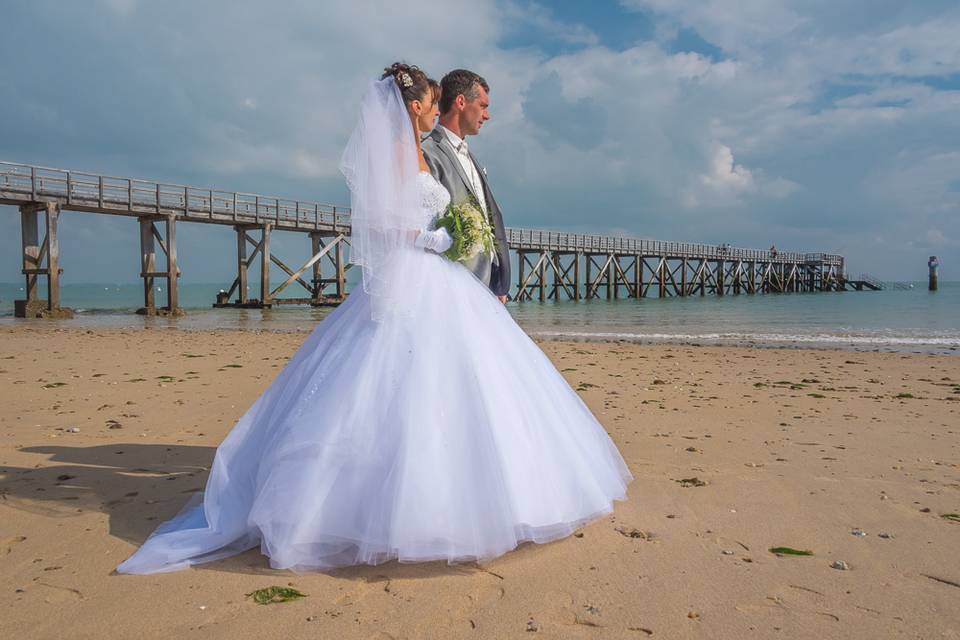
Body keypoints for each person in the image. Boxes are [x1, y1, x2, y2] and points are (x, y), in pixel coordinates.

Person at [115, 63, 632, 575]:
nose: (434, 110)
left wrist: (449, 238)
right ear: (417, 106)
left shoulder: (420, 151)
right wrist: (430, 238)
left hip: (440, 277)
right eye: (430, 103)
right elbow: (383, 222)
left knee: (444, 382)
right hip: (417, 273)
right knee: (395, 383)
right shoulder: (401, 153)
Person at [422, 69, 510, 303]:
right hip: (454, 288)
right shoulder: (427, 153)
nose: (487, 115)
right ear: (461, 102)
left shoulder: (471, 156)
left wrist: (498, 282)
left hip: (486, 283)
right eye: (483, 106)